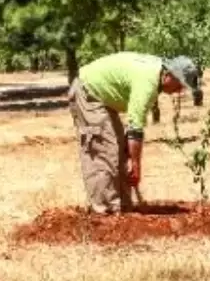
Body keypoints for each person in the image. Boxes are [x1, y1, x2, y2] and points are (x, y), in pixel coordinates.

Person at [68, 52, 203, 213]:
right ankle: (104, 213)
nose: (179, 91)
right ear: (169, 75)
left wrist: (132, 158)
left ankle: (123, 208)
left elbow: (133, 130)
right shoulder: (148, 82)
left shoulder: (156, 75)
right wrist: (136, 165)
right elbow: (135, 129)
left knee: (121, 151)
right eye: (180, 84)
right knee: (105, 153)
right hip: (88, 91)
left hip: (103, 97)